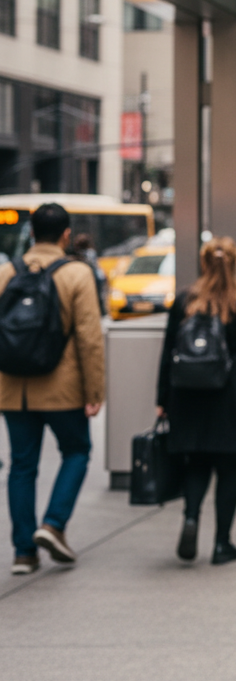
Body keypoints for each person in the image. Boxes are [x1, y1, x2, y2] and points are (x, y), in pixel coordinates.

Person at [156, 238, 236, 565]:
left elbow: (168, 352)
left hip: (187, 395)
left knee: (197, 463)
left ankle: (191, 518)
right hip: (229, 395)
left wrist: (162, 398)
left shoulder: (185, 300)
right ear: (235, 264)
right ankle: (222, 544)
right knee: (228, 470)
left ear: (203, 264)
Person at [0, 203, 105, 575]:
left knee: (21, 465)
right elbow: (89, 338)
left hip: (13, 390)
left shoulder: (6, 273)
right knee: (77, 451)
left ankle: (23, 553)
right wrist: (94, 392)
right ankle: (54, 524)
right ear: (66, 234)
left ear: (31, 232)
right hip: (63, 389)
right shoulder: (77, 273)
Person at [70, 233, 108, 316]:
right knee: (98, 295)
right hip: (95, 276)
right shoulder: (90, 252)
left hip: (87, 276)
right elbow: (94, 265)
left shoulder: (78, 254)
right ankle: (101, 311)